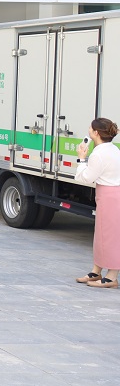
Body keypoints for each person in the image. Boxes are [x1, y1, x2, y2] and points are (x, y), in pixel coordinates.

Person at [75, 118, 120, 288]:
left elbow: (85, 178)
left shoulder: (98, 154)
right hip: (112, 194)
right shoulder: (113, 149)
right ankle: (96, 270)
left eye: (90, 127)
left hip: (109, 195)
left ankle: (112, 277)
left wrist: (81, 159)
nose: (88, 129)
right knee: (103, 234)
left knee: (110, 236)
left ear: (96, 133)